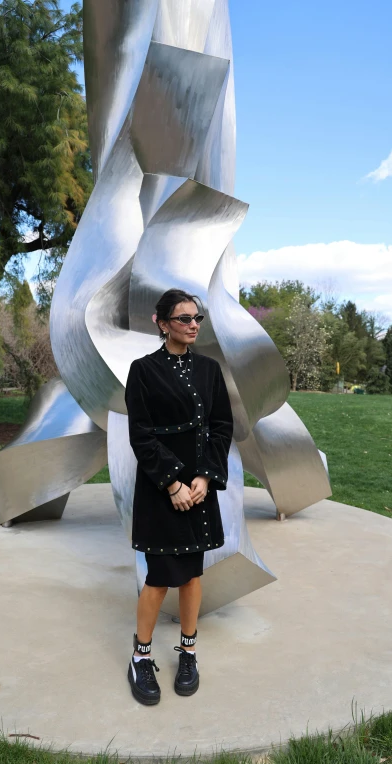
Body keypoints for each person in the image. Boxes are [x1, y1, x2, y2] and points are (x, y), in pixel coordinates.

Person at [124, 288, 234, 706]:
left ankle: (188, 652)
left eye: (197, 318)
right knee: (157, 579)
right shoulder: (143, 371)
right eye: (184, 318)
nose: (193, 325)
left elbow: (221, 426)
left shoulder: (209, 369)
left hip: (200, 489)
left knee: (191, 575)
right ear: (162, 322)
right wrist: (172, 484)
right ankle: (140, 656)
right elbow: (141, 436)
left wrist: (205, 478)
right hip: (160, 489)